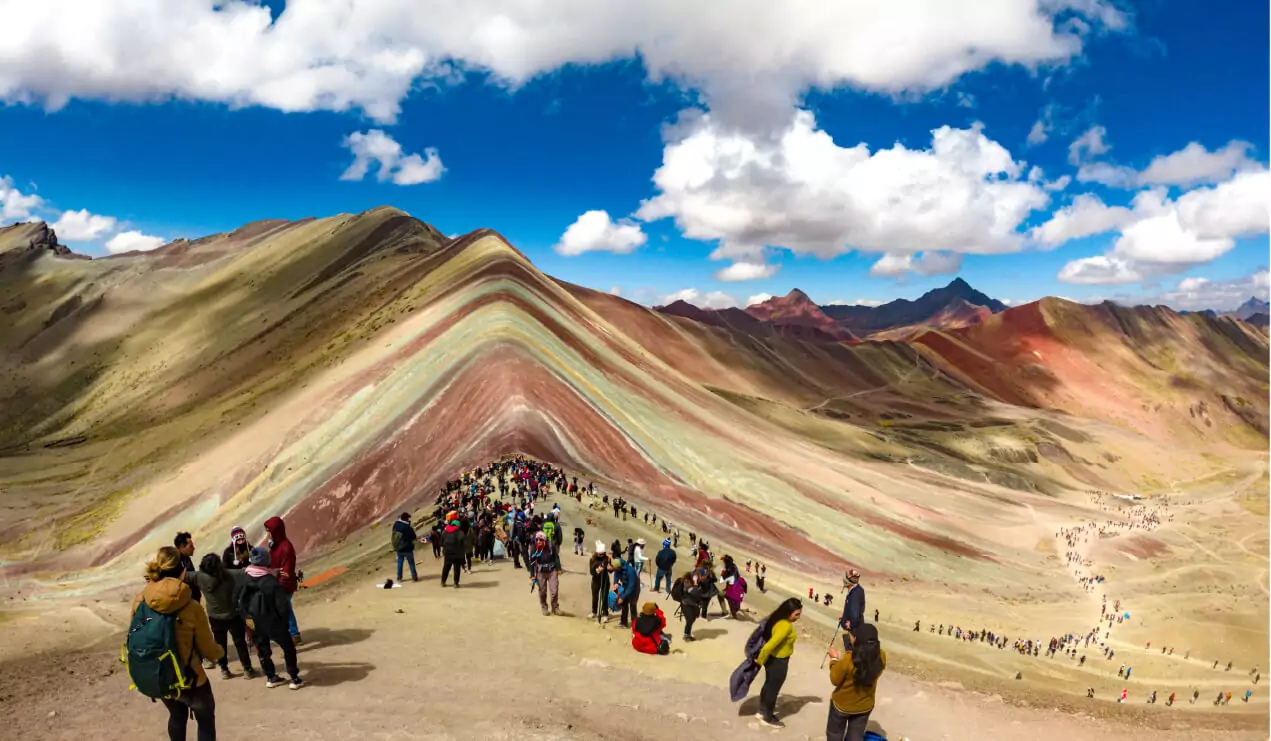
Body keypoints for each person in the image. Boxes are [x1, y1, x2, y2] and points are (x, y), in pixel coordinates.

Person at [132, 546, 223, 740]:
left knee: (176, 715)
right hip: (191, 678)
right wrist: (219, 652)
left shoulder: (141, 600)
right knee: (205, 720)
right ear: (182, 569)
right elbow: (209, 649)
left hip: (161, 675)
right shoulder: (191, 607)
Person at [237, 546, 303, 689]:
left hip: (253, 622)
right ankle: (294, 678)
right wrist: (283, 623)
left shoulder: (244, 577)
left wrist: (247, 621)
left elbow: (238, 601)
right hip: (273, 623)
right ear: (266, 561)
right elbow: (282, 607)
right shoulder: (271, 582)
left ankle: (271, 677)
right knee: (288, 647)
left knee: (262, 649)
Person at [186, 553, 257, 680]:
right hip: (233, 614)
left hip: (215, 617)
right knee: (240, 642)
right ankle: (247, 669)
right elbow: (247, 575)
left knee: (220, 644)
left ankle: (224, 669)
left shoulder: (199, 577)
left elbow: (182, 576)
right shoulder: (230, 575)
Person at [826, 623, 886, 741]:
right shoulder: (881, 656)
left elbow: (835, 679)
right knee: (855, 736)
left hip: (842, 705)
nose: (852, 638)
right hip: (865, 706)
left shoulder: (849, 659)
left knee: (834, 734)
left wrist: (834, 659)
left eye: (853, 636)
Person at [755, 598, 803, 729]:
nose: (798, 617)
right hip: (779, 661)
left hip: (772, 659)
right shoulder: (785, 626)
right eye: (796, 614)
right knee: (773, 689)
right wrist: (759, 660)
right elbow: (769, 645)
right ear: (788, 612)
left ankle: (762, 711)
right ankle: (768, 717)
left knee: (768, 685)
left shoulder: (776, 618)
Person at [263, 517, 300, 644]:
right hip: (277, 583)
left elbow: (286, 572)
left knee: (285, 610)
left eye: (269, 531)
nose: (267, 534)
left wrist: (278, 586)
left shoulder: (286, 548)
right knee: (283, 610)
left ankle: (294, 634)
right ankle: (291, 633)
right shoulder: (275, 545)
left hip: (284, 586)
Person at [529, 531, 562, 616]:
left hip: (552, 571)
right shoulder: (534, 548)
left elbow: (556, 557)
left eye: (540, 539)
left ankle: (555, 607)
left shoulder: (551, 546)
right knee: (542, 591)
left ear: (544, 540)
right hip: (540, 572)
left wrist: (558, 568)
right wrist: (532, 575)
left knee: (554, 590)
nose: (538, 541)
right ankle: (544, 607)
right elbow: (532, 562)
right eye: (537, 539)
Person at [677, 570, 711, 641]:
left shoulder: (699, 582)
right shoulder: (687, 581)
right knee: (690, 619)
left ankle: (688, 633)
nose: (704, 578)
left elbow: (700, 593)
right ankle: (686, 635)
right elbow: (691, 592)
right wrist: (695, 584)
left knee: (693, 618)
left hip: (694, 603)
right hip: (686, 603)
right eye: (703, 576)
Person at [838, 569, 865, 650]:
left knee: (850, 652)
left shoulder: (854, 595)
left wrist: (850, 625)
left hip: (852, 630)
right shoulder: (858, 590)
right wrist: (844, 618)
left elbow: (855, 614)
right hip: (856, 627)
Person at [613, 556, 641, 628]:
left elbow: (631, 586)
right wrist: (615, 583)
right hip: (626, 587)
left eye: (616, 569)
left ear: (619, 567)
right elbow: (616, 575)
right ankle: (624, 622)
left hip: (634, 589)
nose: (615, 571)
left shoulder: (630, 571)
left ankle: (635, 625)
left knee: (632, 606)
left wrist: (622, 597)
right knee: (624, 605)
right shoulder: (617, 569)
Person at [588, 541, 612, 622]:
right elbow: (591, 572)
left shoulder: (607, 559)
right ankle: (594, 611)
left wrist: (610, 568)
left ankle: (605, 614)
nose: (601, 555)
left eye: (602, 554)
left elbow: (611, 570)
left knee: (604, 597)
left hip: (605, 580)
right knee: (595, 597)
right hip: (596, 580)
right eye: (600, 554)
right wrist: (597, 570)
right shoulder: (592, 560)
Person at [174, 532, 201, 603]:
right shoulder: (175, 562)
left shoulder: (185, 557)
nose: (194, 548)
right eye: (191, 546)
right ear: (182, 547)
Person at [441, 513, 465, 586]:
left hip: (447, 553)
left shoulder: (445, 531)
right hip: (457, 553)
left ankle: (443, 582)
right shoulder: (460, 532)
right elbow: (462, 543)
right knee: (457, 568)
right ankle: (456, 583)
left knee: (446, 567)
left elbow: (442, 542)